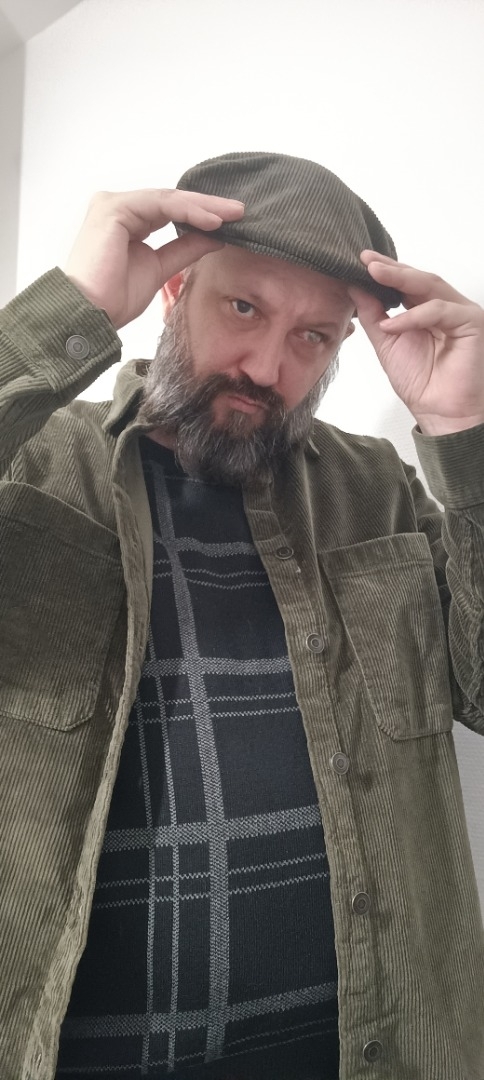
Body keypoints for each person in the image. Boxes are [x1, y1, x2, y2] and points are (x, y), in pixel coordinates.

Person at [0, 151, 483, 1080]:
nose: (267, 367)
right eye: (245, 308)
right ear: (173, 288)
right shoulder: (35, 465)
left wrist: (467, 442)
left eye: (315, 337)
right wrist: (71, 311)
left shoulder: (380, 490)